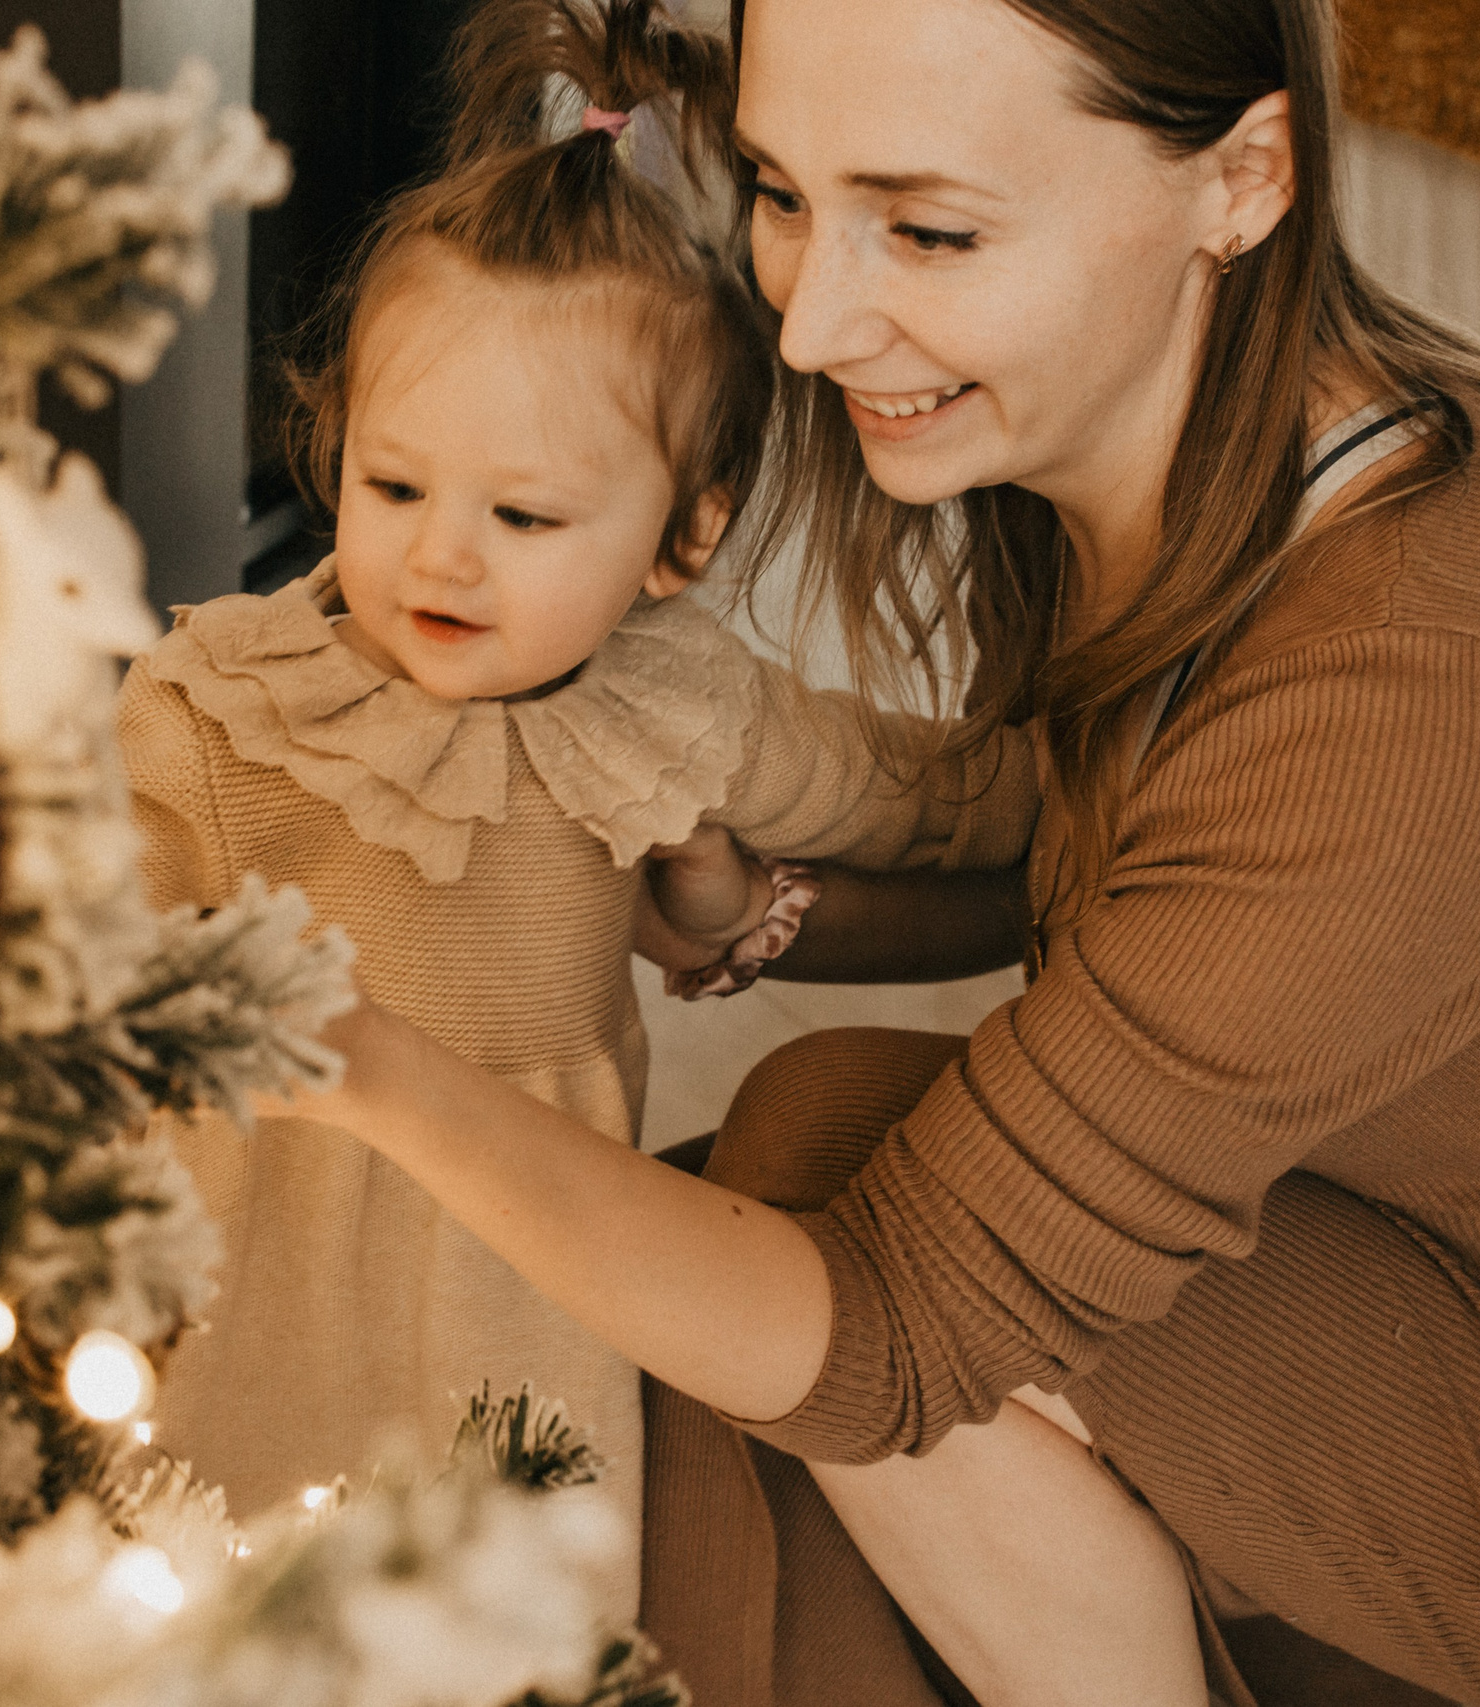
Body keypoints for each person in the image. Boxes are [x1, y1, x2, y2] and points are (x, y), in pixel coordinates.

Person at [254, 0, 1480, 1703]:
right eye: (785, 195)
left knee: (762, 1283)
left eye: (929, 229)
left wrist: (363, 1066)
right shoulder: (1201, 439)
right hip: (1427, 1281)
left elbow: (894, 1341)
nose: (815, 325)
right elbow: (1138, 886)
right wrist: (778, 907)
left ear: (1242, 177)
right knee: (774, 1176)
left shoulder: (1421, 685)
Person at [117, 0, 1026, 1616]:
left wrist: (1094, 773)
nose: (444, 554)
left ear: (680, 540)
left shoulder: (681, 709)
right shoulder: (223, 714)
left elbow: (919, 799)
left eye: (524, 514)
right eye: (395, 486)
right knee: (207, 1597)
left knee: (503, 1612)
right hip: (255, 1280)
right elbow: (76, 965)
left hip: (522, 1288)